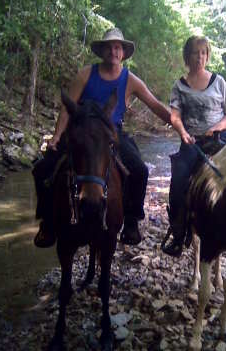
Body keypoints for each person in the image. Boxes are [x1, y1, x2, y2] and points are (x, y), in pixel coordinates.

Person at [33, 27, 171, 248]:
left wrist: (178, 124)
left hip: (112, 133)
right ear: (102, 51)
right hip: (80, 132)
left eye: (118, 48)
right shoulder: (85, 74)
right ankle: (47, 223)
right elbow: (67, 108)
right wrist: (57, 136)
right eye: (109, 47)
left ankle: (132, 221)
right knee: (42, 168)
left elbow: (155, 105)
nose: (113, 51)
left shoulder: (131, 80)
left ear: (123, 53)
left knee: (140, 170)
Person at [161, 35, 226, 257]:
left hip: (221, 138)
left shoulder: (219, 81)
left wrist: (218, 127)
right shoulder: (180, 86)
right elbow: (175, 116)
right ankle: (178, 232)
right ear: (188, 56)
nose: (200, 57)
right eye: (196, 52)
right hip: (192, 142)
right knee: (178, 182)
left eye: (204, 53)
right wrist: (183, 133)